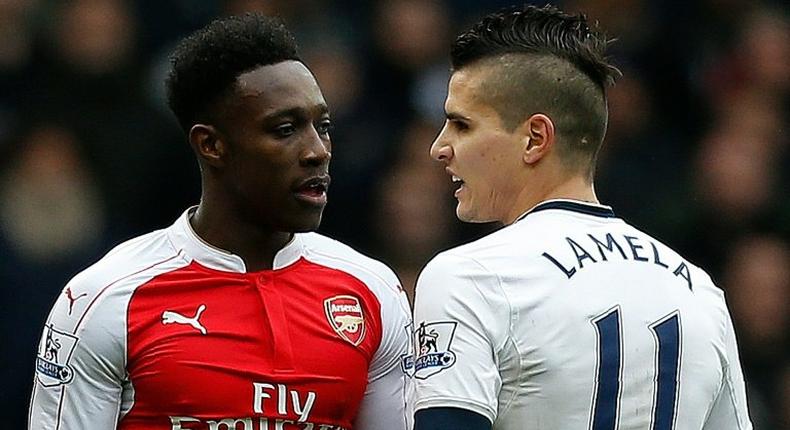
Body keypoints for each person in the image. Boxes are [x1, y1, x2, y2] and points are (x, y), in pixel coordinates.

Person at [29, 13, 412, 430]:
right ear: (211, 145)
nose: (317, 151)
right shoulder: (105, 298)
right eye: (285, 129)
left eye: (323, 127)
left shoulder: (372, 290)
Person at [410, 5, 752, 430]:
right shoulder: (700, 290)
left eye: (461, 125)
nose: (439, 148)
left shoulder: (470, 277)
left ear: (535, 138)